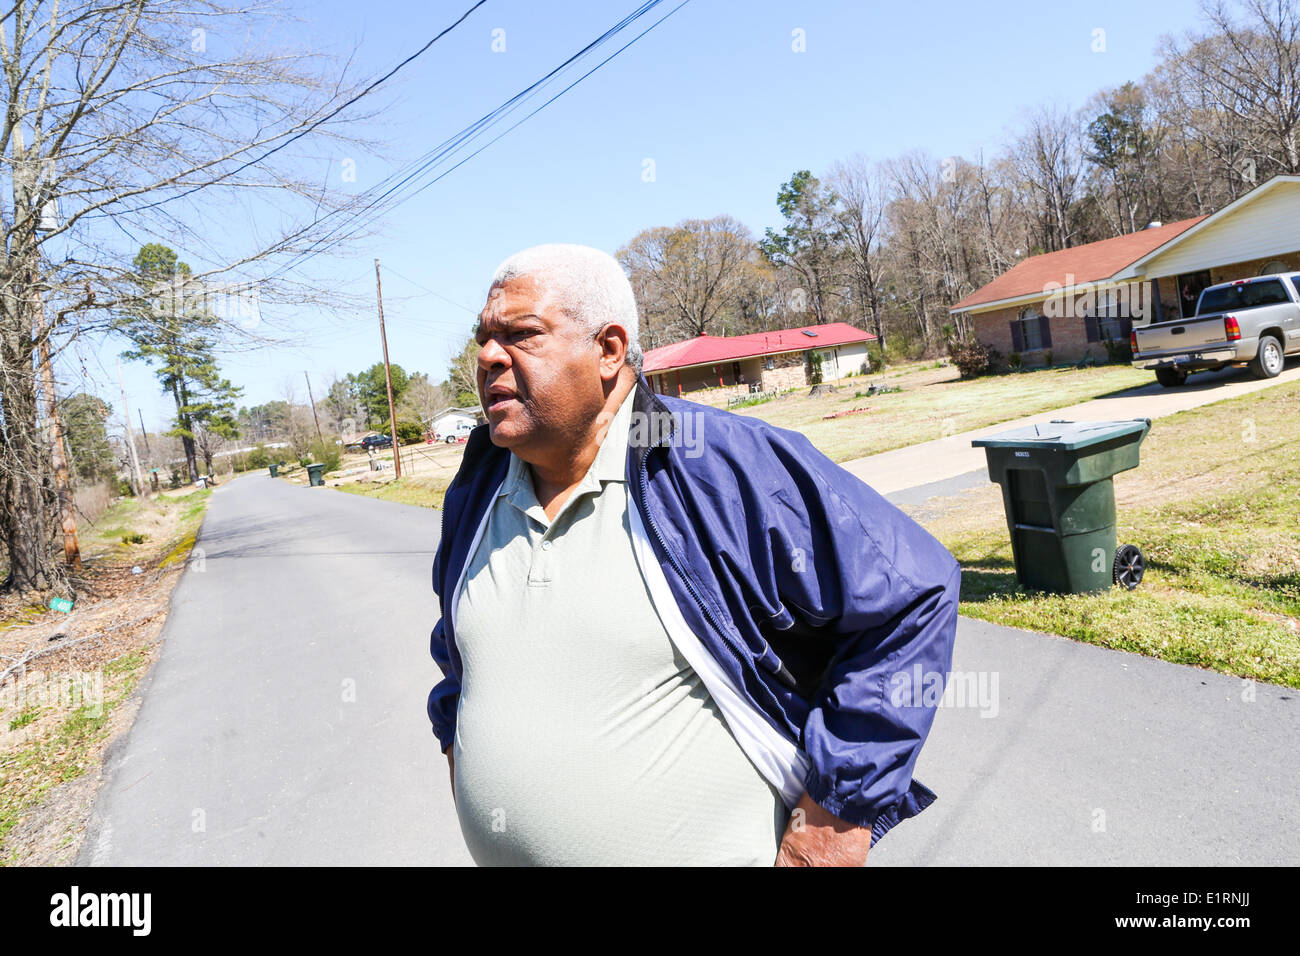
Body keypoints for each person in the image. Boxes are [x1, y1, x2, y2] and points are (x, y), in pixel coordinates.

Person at [428, 244, 960, 866]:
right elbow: (460, 659)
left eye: (520, 334)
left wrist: (835, 821)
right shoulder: (477, 488)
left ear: (608, 350)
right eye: (483, 338)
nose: (489, 356)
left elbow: (915, 594)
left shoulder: (716, 465)